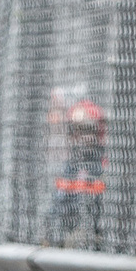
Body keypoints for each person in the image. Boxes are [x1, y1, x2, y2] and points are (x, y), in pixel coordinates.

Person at [51, 99, 107, 246]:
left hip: (95, 236)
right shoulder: (70, 167)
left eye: (87, 130)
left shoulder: (102, 166)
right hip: (68, 231)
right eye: (76, 131)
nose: (81, 138)